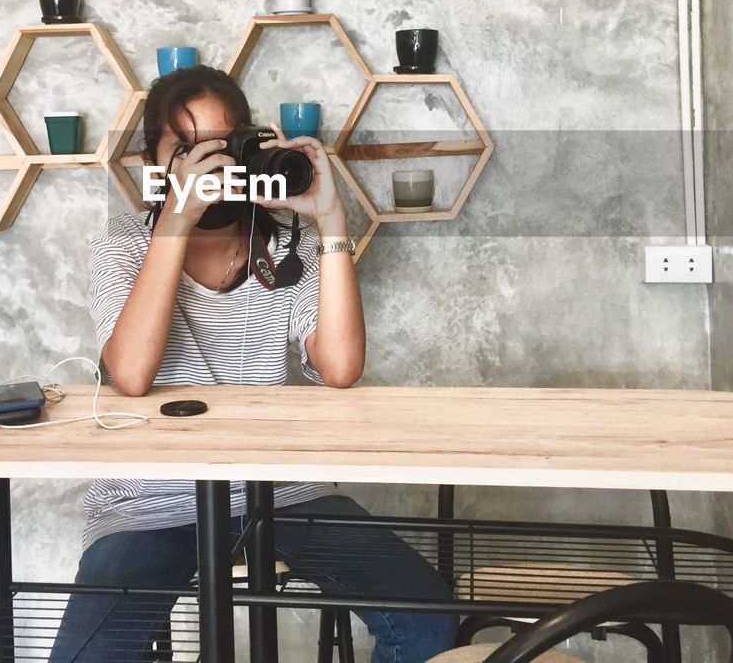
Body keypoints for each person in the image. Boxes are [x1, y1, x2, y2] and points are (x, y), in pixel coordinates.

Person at [48, 65, 455, 662]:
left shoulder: (285, 239)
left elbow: (340, 367)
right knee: (89, 656)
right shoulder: (123, 243)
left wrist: (330, 221)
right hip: (146, 497)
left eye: (223, 146)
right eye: (189, 151)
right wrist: (176, 223)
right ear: (153, 164)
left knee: (426, 615)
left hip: (279, 485)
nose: (210, 166)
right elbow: (131, 376)